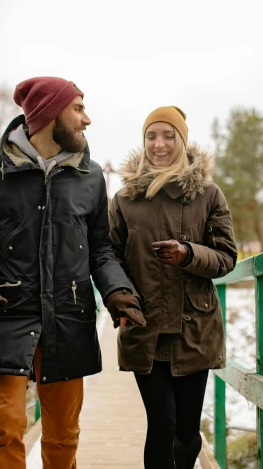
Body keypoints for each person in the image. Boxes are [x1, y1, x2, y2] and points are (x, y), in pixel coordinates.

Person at [0, 76, 146, 469]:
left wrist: (118, 292)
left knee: (63, 436)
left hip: (68, 317)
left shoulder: (91, 176)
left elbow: (101, 249)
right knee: (6, 428)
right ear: (48, 114)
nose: (87, 119)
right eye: (78, 108)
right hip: (5, 312)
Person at [108, 106, 237, 469]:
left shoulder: (209, 194)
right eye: (151, 135)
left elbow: (227, 257)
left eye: (168, 135)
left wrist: (188, 254)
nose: (158, 144)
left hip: (194, 327)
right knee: (161, 423)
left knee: (185, 430)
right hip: (143, 324)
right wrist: (120, 298)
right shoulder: (124, 199)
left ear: (182, 140)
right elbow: (108, 257)